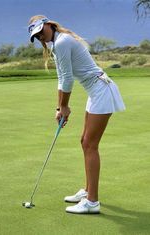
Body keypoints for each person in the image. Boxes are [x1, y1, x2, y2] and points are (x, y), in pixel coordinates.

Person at [28, 15, 125, 214]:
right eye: (37, 37)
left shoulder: (62, 41)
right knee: (85, 142)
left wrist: (65, 106)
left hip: (102, 90)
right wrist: (60, 107)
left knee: (90, 145)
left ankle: (92, 202)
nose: (41, 38)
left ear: (48, 25)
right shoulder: (57, 43)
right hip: (96, 91)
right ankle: (88, 191)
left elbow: (67, 79)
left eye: (41, 32)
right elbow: (61, 78)